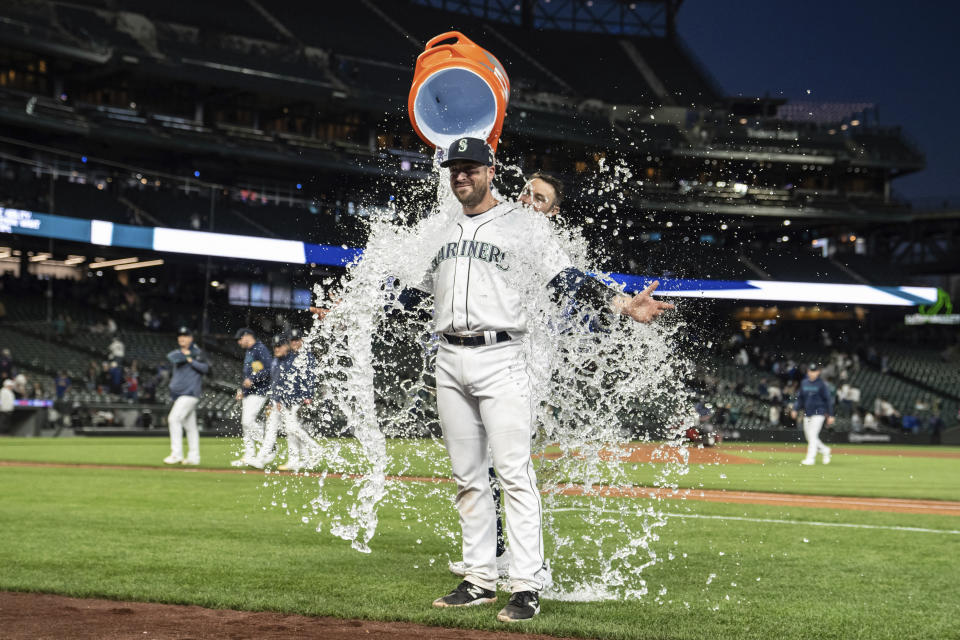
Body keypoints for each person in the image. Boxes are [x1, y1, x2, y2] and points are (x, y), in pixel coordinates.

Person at [402, 137, 673, 622]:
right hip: (448, 357)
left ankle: (526, 585)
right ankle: (479, 578)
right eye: (453, 169)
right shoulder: (442, 228)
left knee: (514, 475)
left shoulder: (521, 225)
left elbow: (565, 277)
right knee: (468, 477)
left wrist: (622, 302)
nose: (460, 176)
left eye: (469, 168)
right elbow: (415, 289)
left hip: (503, 356)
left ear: (490, 172)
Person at [253, 334, 314, 470]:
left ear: (286, 346)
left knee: (291, 430)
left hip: (288, 401)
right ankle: (262, 459)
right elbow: (275, 384)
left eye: (279, 346)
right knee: (278, 431)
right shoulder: (278, 361)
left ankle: (309, 453)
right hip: (279, 402)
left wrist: (305, 396)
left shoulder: (293, 360)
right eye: (275, 346)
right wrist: (273, 400)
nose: (276, 349)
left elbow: (288, 383)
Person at [163, 327, 209, 465]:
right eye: (180, 336)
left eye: (185, 336)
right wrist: (186, 356)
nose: (181, 338)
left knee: (173, 419)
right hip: (180, 395)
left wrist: (191, 359)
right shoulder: (178, 353)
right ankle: (194, 458)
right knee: (191, 427)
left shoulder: (198, 352)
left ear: (191, 338)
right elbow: (171, 357)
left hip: (189, 394)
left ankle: (176, 454)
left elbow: (205, 368)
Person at [233, 328, 273, 467]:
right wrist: (242, 390)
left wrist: (253, 379)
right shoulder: (250, 351)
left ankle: (269, 446)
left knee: (248, 421)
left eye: (240, 339)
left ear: (247, 336)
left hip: (260, 391)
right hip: (250, 392)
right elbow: (249, 374)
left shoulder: (260, 349)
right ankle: (249, 454)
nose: (238, 342)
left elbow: (269, 369)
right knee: (245, 423)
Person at [790, 363, 833, 465]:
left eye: (814, 371)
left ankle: (810, 458)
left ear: (818, 372)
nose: (812, 373)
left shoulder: (822, 384)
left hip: (819, 412)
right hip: (808, 412)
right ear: (808, 371)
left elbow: (828, 400)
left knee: (813, 435)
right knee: (809, 437)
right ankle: (825, 450)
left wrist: (831, 415)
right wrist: (795, 409)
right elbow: (800, 399)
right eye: (810, 371)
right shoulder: (804, 383)